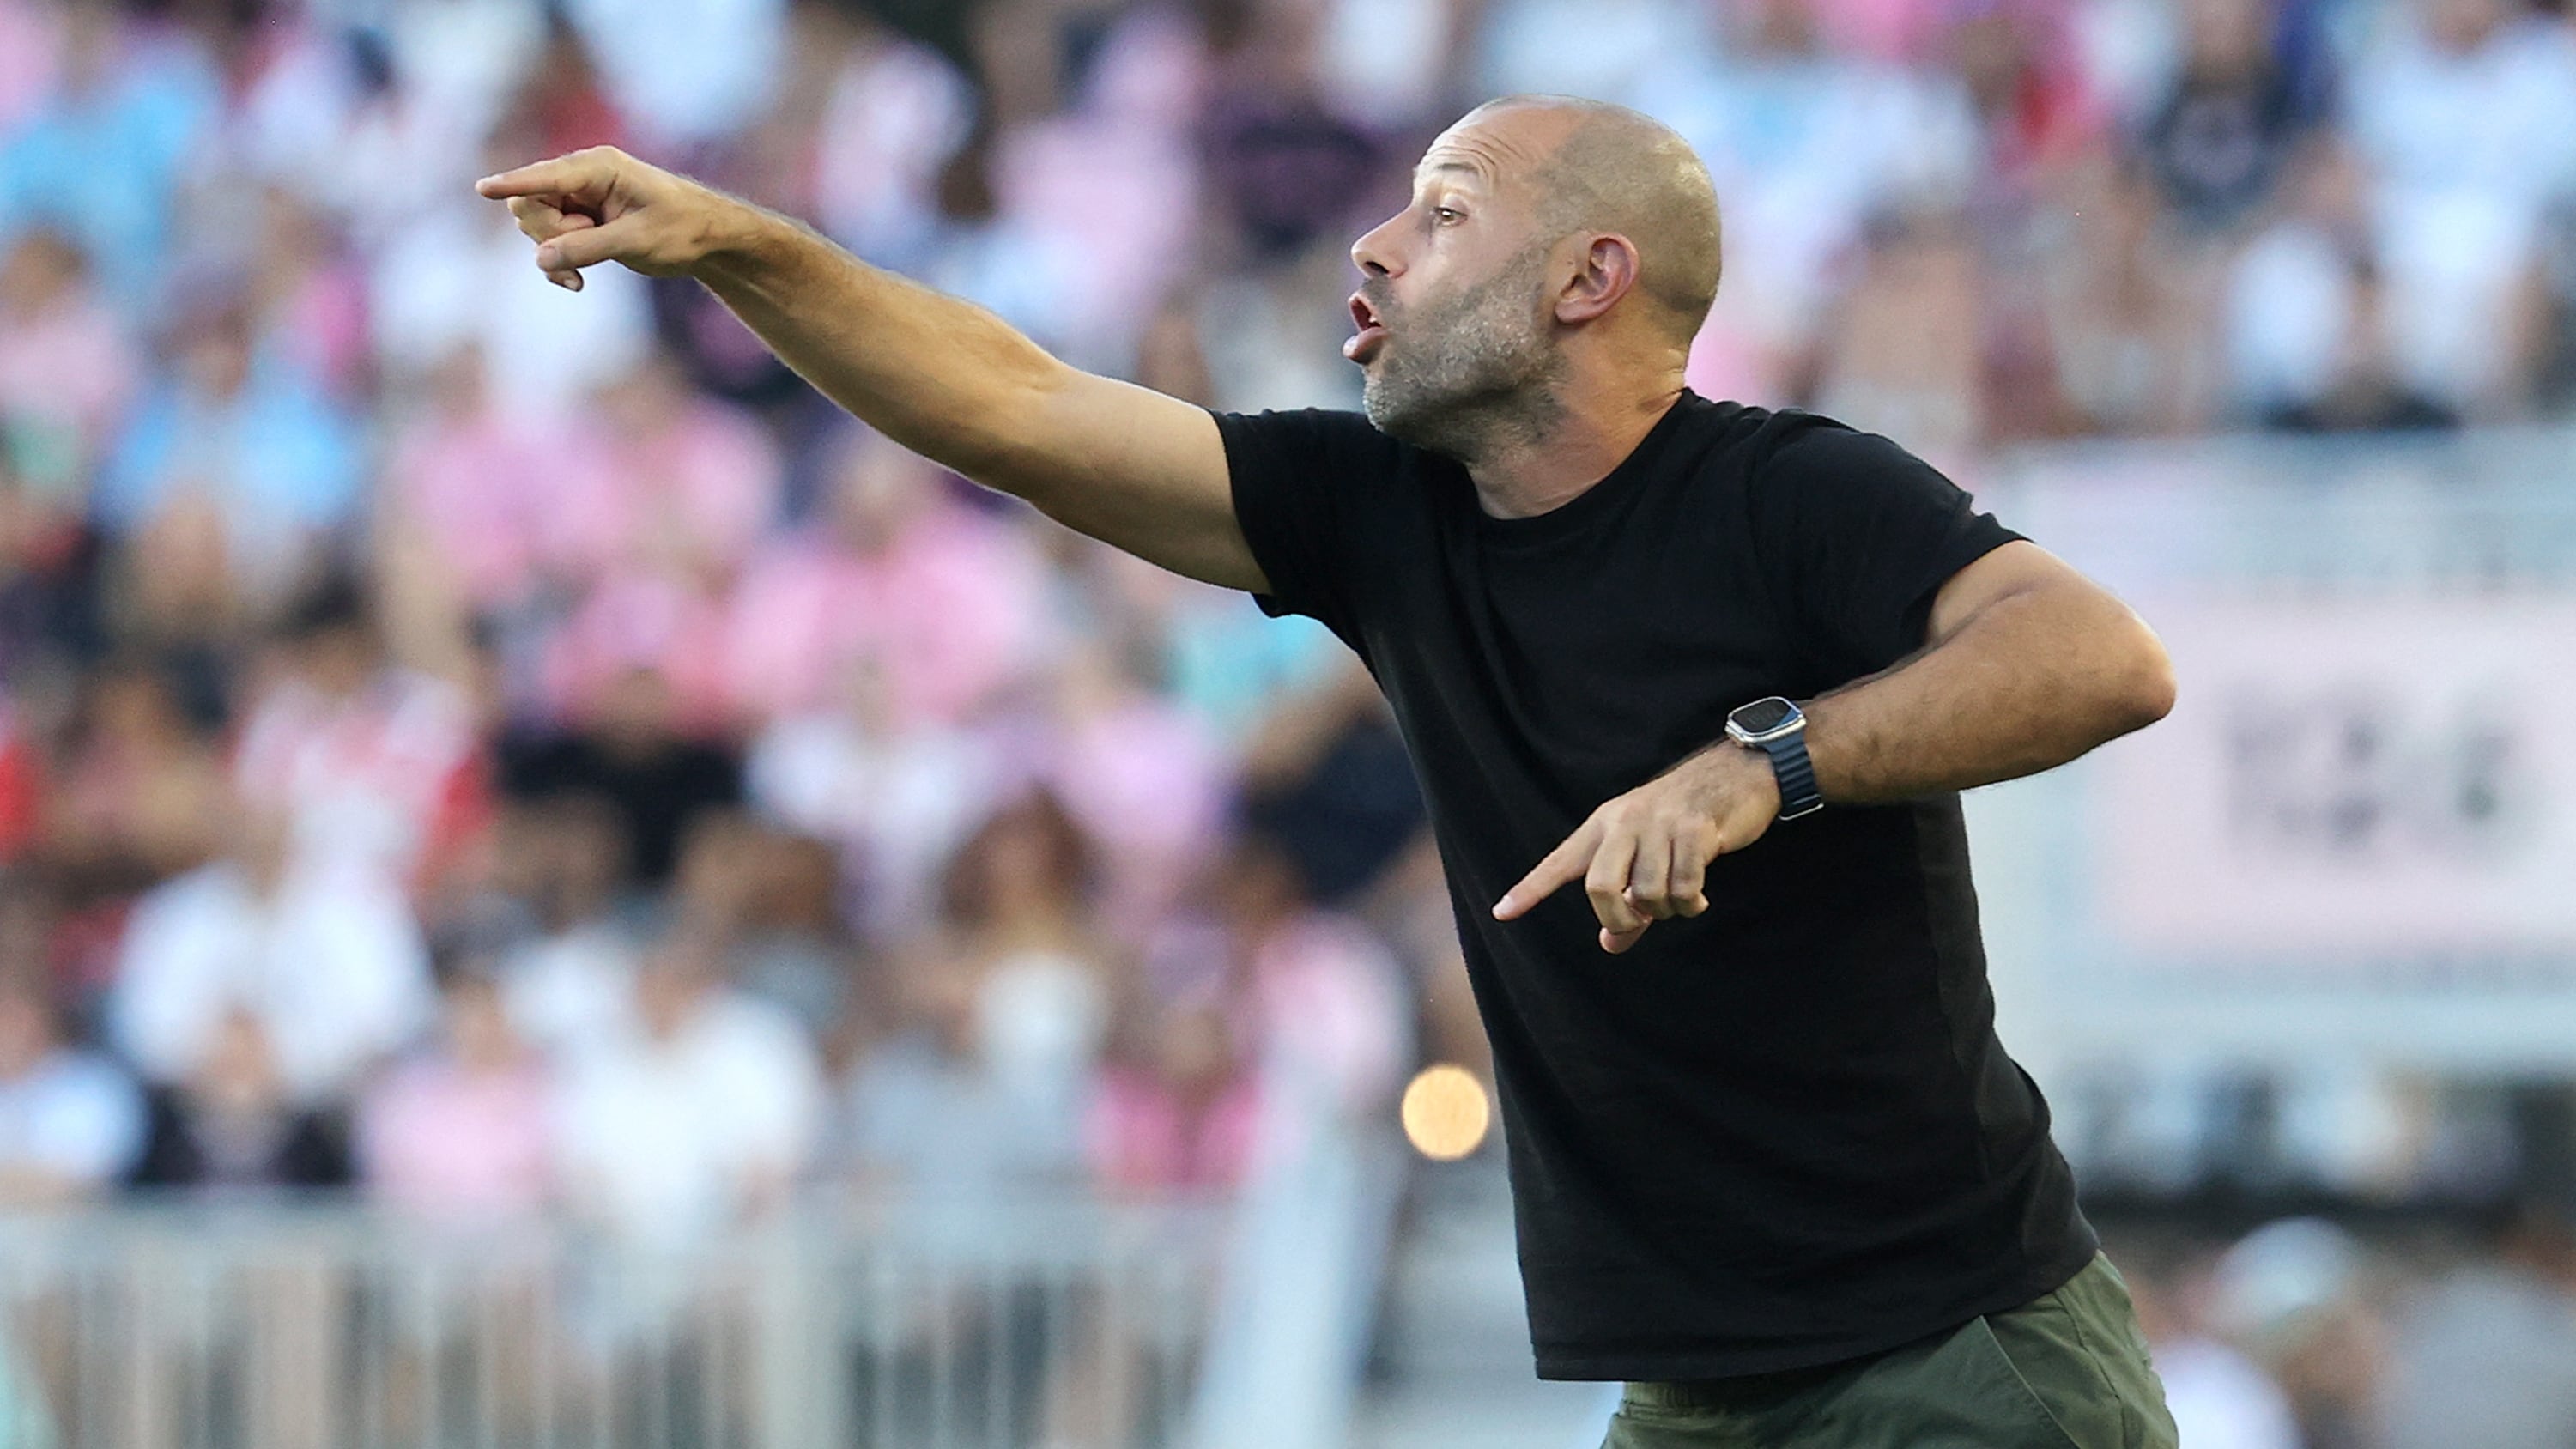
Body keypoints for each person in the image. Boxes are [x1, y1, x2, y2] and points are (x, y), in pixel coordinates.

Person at [478, 94, 2180, 1447]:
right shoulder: (1380, 512)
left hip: (1954, 1362)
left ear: (1587, 279)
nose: (1373, 242)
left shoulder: (1788, 492)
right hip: (1703, 1386)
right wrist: (738, 243)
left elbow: (2101, 657)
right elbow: (1011, 406)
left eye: (1444, 212)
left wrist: (1759, 767)